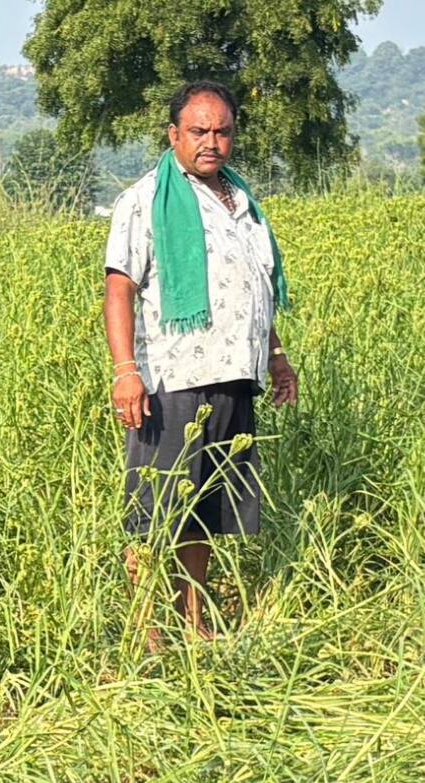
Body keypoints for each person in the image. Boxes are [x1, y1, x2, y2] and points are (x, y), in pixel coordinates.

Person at [103, 80, 296, 637]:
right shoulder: (145, 200)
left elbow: (256, 289)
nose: (211, 141)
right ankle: (147, 631)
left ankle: (194, 623)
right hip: (172, 378)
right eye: (198, 131)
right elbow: (119, 288)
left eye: (222, 131)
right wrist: (126, 372)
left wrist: (276, 356)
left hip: (234, 375)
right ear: (174, 135)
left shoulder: (243, 202)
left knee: (205, 510)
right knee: (156, 508)